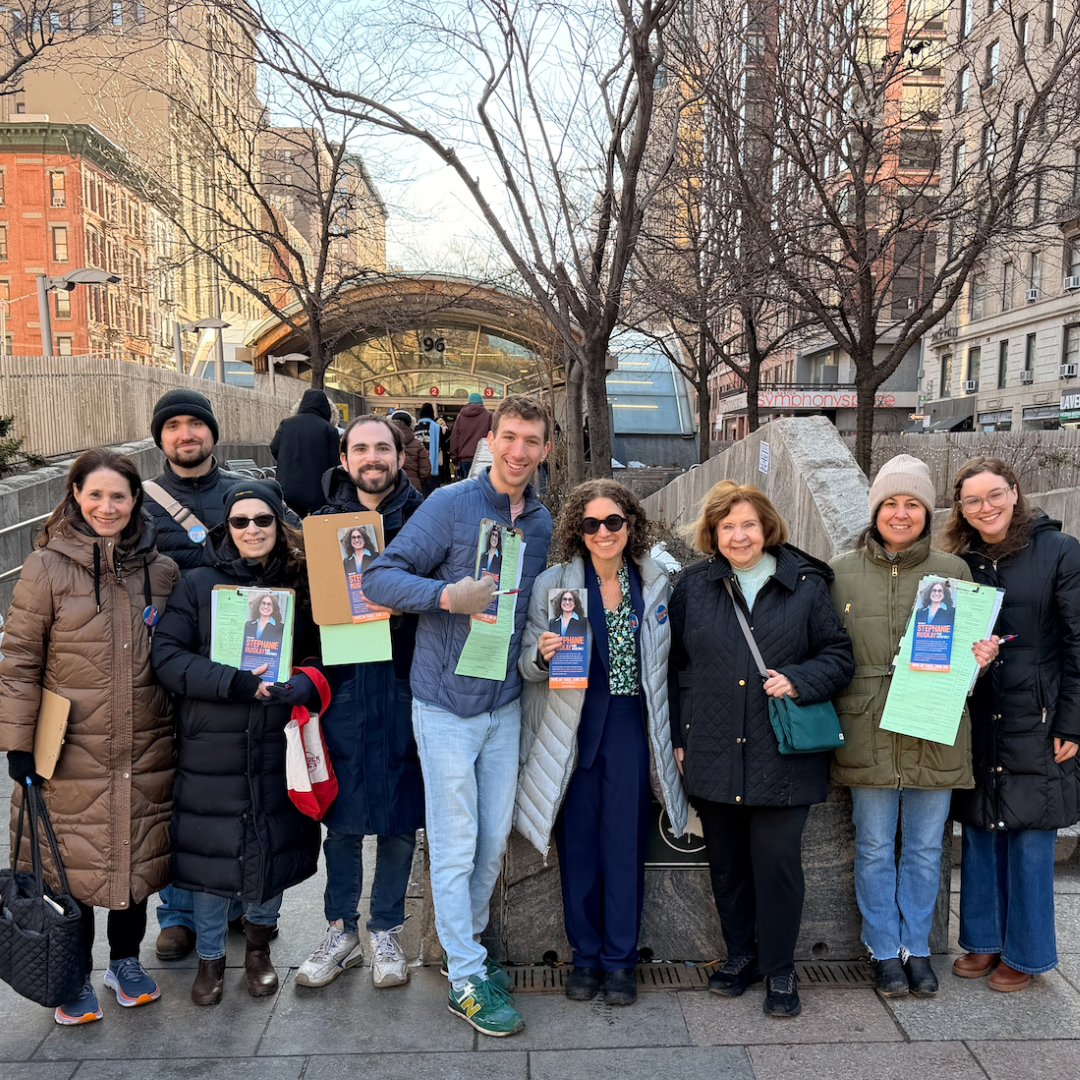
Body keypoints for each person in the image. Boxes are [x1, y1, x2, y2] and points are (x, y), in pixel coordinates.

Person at [364, 394, 553, 1038]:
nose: (518, 451)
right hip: (445, 706)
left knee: (493, 840)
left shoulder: (541, 523)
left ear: (545, 449)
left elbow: (530, 610)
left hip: (504, 703)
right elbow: (379, 578)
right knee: (454, 844)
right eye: (509, 437)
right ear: (490, 440)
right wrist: (446, 595)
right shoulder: (449, 505)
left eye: (531, 440)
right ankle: (468, 976)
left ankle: (462, 952)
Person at [0, 449, 180, 1025]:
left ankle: (124, 961)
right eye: (95, 494)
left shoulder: (161, 571)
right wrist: (18, 743)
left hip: (146, 741)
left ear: (135, 500)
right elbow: (19, 660)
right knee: (67, 866)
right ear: (76, 495)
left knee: (135, 859)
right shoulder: (46, 567)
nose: (107, 507)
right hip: (68, 748)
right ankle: (72, 974)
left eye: (118, 496)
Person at [668, 481, 854, 1019]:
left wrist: (798, 679)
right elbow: (674, 668)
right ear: (713, 534)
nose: (739, 535)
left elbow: (840, 657)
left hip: (782, 754)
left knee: (777, 866)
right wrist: (680, 737)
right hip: (713, 748)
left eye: (748, 524)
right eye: (727, 526)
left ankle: (779, 968)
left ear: (767, 526)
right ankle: (741, 956)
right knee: (727, 865)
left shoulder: (805, 584)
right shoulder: (694, 587)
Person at [830, 454, 996, 999]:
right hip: (868, 726)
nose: (901, 514)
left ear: (928, 512)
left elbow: (965, 658)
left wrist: (979, 659)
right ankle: (883, 948)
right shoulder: (840, 571)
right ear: (875, 509)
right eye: (890, 503)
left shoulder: (954, 572)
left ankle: (916, 947)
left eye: (913, 504)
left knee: (926, 847)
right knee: (874, 845)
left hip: (933, 723)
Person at [517, 480, 688, 1006]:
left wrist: (677, 736)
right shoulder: (554, 584)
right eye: (591, 523)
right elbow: (526, 665)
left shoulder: (655, 582)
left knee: (625, 846)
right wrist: (543, 656)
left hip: (631, 726)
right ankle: (585, 957)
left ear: (630, 524)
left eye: (613, 521)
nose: (603, 532)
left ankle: (620, 961)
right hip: (572, 727)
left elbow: (673, 665)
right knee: (579, 849)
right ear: (578, 529)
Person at [151, 480, 322, 1006]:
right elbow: (168, 657)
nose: (252, 530)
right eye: (240, 521)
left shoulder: (301, 582)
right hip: (213, 743)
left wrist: (305, 683)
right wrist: (234, 682)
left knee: (270, 847)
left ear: (278, 524)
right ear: (226, 528)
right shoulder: (197, 583)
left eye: (263, 519)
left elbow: (322, 654)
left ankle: (258, 951)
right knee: (211, 858)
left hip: (276, 739)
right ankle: (209, 959)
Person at [296, 415, 427, 990]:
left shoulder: (426, 522)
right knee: (343, 819)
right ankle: (340, 929)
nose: (373, 458)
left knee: (400, 818)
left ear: (400, 454)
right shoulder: (322, 526)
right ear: (344, 460)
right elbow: (307, 613)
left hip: (406, 683)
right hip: (345, 688)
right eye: (361, 449)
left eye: (383, 448)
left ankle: (386, 929)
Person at [943, 457, 1080, 992]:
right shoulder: (960, 563)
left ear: (1015, 493)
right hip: (980, 712)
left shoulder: (1060, 552)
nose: (986, 507)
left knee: (1030, 836)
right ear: (961, 508)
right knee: (980, 828)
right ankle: (983, 940)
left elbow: (1077, 642)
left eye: (994, 495)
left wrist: (1072, 723)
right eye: (973, 500)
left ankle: (1026, 952)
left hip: (1037, 717)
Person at [145, 388, 249, 961]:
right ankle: (178, 913)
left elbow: (292, 553)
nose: (186, 434)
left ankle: (234, 901)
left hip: (240, 668)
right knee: (177, 793)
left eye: (195, 423)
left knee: (234, 789)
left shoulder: (244, 494)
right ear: (161, 437)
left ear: (213, 431)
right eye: (174, 425)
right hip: (168, 668)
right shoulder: (141, 503)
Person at [270, 388, 340, 517]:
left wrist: (287, 461)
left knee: (292, 522)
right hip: (317, 489)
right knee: (316, 523)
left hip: (288, 486)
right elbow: (335, 462)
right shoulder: (328, 429)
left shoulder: (286, 424)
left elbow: (274, 447)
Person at [449, 392, 492, 479]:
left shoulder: (461, 416)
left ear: (469, 402)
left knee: (468, 484)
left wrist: (454, 459)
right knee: (483, 484)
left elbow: (455, 438)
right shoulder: (489, 416)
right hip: (483, 458)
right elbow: (493, 436)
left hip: (465, 458)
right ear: (481, 402)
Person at [390, 410, 432, 492]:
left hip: (390, 486)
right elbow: (425, 470)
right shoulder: (418, 444)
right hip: (413, 485)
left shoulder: (385, 443)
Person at [416, 402, 446, 494]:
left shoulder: (415, 428)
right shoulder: (437, 428)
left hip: (418, 466)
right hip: (433, 466)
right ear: (432, 414)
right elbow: (441, 445)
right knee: (433, 494)